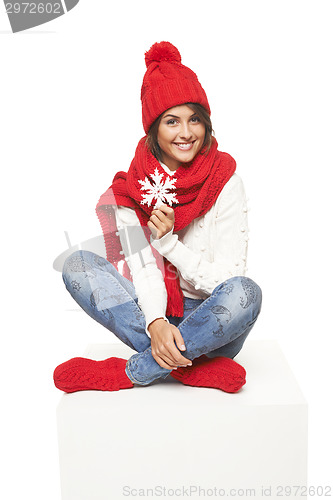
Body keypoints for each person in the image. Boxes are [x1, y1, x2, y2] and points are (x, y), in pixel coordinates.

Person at [53, 41, 262, 394]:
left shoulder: (226, 181)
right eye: (171, 121)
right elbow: (144, 270)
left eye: (194, 119)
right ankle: (188, 369)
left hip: (212, 325)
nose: (185, 133)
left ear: (206, 122)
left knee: (246, 293)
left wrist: (168, 243)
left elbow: (227, 280)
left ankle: (135, 371)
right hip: (153, 316)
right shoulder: (132, 188)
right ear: (154, 128)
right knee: (77, 265)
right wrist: (155, 323)